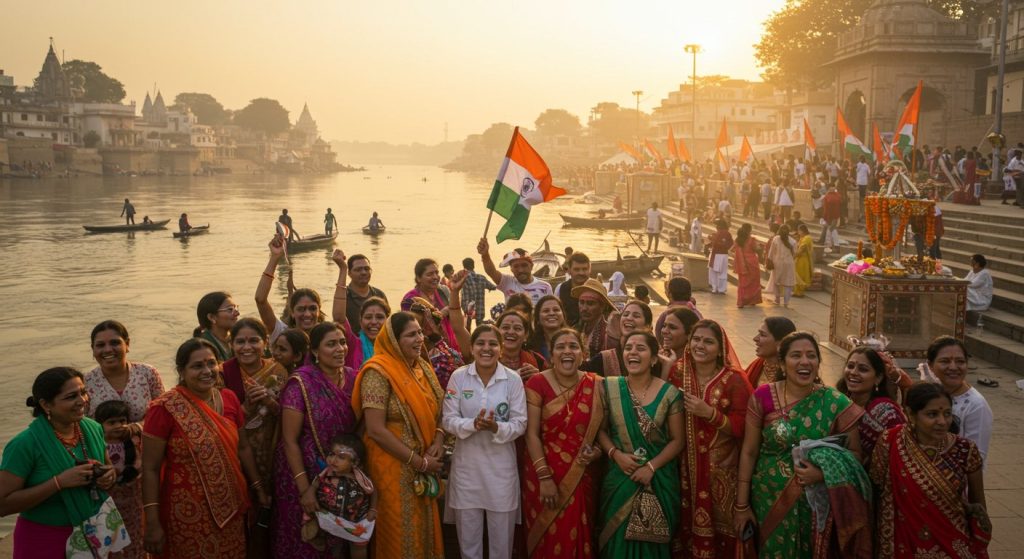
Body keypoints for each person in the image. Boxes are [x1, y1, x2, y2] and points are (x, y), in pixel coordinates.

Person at [734, 332, 869, 559]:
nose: (805, 362)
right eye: (796, 355)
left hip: (816, 506)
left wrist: (823, 473)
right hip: (767, 498)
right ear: (783, 364)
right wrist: (741, 505)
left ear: (818, 363)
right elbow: (749, 452)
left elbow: (855, 455)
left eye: (811, 356)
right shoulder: (763, 396)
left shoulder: (836, 403)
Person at [142, 339, 268, 558]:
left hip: (232, 506)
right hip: (186, 512)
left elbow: (243, 448)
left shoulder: (228, 398)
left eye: (211, 363)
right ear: (181, 371)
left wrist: (258, 487)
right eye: (197, 366)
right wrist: (152, 523)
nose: (207, 371)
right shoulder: (164, 408)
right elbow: (150, 468)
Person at [0, 367, 124, 559]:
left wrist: (108, 476)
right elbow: (3, 504)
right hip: (44, 540)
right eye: (71, 396)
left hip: (95, 530)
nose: (82, 400)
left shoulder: (92, 428)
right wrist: (59, 482)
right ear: (46, 404)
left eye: (83, 392)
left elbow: (108, 469)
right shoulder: (24, 445)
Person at [352, 312, 447, 559]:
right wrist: (419, 462)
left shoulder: (423, 367)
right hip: (391, 468)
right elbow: (375, 429)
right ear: (394, 340)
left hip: (424, 465)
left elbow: (439, 409)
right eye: (411, 334)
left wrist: (437, 439)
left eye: (420, 332)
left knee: (423, 529)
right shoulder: (377, 372)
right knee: (398, 533)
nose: (420, 338)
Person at [870, 382, 990, 558]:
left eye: (947, 414)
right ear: (911, 414)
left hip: (952, 542)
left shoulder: (965, 449)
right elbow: (876, 488)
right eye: (932, 414)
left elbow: (978, 504)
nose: (942, 422)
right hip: (902, 542)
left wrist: (979, 540)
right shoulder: (890, 440)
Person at [666, 320, 752, 558]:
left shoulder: (734, 379)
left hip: (721, 472)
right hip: (682, 469)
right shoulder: (678, 371)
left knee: (723, 533)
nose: (700, 345)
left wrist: (710, 414)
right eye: (696, 339)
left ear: (720, 348)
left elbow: (745, 427)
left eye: (708, 341)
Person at [273, 322, 359, 558]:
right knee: (304, 541)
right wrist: (305, 490)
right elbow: (289, 440)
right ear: (314, 351)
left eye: (342, 342)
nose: (340, 348)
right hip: (302, 473)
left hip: (340, 474)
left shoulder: (354, 378)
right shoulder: (300, 383)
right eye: (331, 344)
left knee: (336, 541)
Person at [443, 324, 528, 559]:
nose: (486, 348)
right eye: (480, 343)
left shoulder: (512, 380)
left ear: (501, 349)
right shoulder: (459, 377)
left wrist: (495, 427)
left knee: (501, 548)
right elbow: (448, 420)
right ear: (471, 348)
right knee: (469, 548)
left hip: (501, 473)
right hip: (466, 473)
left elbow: (520, 424)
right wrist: (472, 424)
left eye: (493, 344)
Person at [597, 330, 685, 558]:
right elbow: (601, 430)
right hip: (619, 476)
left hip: (658, 480)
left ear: (654, 358)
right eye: (628, 348)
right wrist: (616, 454)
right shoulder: (610, 386)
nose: (632, 353)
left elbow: (678, 440)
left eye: (640, 348)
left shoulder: (669, 393)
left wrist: (651, 468)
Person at [523, 328, 605, 557]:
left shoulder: (597, 384)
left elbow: (603, 434)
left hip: (581, 474)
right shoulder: (537, 383)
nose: (567, 351)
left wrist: (597, 452)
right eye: (560, 347)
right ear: (551, 353)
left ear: (583, 353)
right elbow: (531, 434)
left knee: (577, 535)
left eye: (573, 346)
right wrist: (544, 477)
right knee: (546, 539)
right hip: (542, 475)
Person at [919, 336, 993, 464]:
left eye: (960, 361)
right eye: (945, 361)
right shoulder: (929, 394)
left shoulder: (976, 405)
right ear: (930, 365)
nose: (953, 367)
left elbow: (976, 458)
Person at [256, 235, 344, 341]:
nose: (307, 314)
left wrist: (343, 269)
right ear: (292, 313)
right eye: (301, 309)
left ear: (319, 311)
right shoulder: (282, 334)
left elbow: (339, 318)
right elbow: (260, 300)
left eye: (312, 308)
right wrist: (274, 257)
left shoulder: (327, 337)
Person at [303, 434, 377, 558]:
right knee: (335, 547)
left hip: (356, 522)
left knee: (358, 548)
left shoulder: (360, 478)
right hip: (333, 519)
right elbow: (315, 484)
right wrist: (310, 491)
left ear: (355, 462)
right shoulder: (326, 473)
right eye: (331, 454)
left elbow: (373, 491)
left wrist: (373, 509)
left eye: (341, 457)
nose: (333, 460)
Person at [84, 320, 165, 426]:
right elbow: (81, 422)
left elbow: (163, 412)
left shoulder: (147, 373)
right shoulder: (86, 382)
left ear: (127, 344)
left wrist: (137, 428)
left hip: (146, 440)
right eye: (100, 345)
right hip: (101, 442)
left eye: (115, 343)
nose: (107, 349)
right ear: (93, 349)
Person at [835, 346, 907, 463]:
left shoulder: (886, 412)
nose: (853, 372)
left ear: (878, 378)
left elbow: (900, 454)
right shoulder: (839, 403)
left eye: (863, 369)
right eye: (850, 366)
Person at [94, 399, 145, 559]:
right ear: (100, 425)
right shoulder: (98, 444)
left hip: (132, 498)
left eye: (122, 421)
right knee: (109, 533)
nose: (118, 426)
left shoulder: (135, 441)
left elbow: (140, 465)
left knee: (134, 532)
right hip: (109, 499)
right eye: (111, 422)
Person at [401, 258, 461, 352]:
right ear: (418, 278)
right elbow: (410, 327)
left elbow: (456, 317)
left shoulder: (443, 291)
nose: (435, 277)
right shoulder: (410, 300)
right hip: (424, 350)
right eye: (430, 274)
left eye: (437, 273)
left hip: (450, 347)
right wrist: (441, 313)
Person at [478, 239, 553, 305]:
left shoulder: (545, 287)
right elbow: (491, 272)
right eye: (516, 266)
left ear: (531, 266)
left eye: (524, 265)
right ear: (511, 269)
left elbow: (550, 308)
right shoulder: (507, 282)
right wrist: (485, 255)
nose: (520, 270)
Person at [495, 310, 547, 382]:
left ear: (526, 335)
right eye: (505, 327)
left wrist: (539, 378)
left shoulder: (538, 361)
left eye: (517, 328)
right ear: (496, 333)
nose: (511, 332)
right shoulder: (486, 359)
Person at [743, 317, 796, 388]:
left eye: (762, 335)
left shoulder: (793, 374)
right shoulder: (757, 365)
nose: (755, 339)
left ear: (781, 342)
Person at [344, 253, 389, 337]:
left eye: (367, 269)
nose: (363, 272)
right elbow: (338, 319)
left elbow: (388, 323)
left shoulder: (379, 294)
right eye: (358, 270)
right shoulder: (344, 296)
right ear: (349, 273)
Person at [572, 278, 615, 358]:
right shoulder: (574, 329)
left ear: (602, 307)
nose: (584, 308)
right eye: (581, 302)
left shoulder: (609, 335)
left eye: (590, 303)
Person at [193, 291, 240, 362]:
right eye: (230, 309)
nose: (237, 313)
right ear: (212, 317)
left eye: (236, 308)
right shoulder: (203, 347)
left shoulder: (237, 338)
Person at [554, 251, 591, 325]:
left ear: (590, 270)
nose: (581, 273)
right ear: (569, 270)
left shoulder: (596, 289)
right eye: (576, 269)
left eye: (584, 269)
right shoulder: (561, 288)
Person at [526, 295, 567, 363]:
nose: (551, 313)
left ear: (563, 315)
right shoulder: (530, 346)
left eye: (556, 310)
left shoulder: (574, 341)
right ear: (538, 318)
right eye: (546, 311)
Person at [766, 224, 797, 307]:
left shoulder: (776, 239)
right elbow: (795, 254)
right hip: (789, 263)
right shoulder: (793, 241)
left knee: (776, 282)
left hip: (777, 263)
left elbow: (771, 252)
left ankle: (777, 299)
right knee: (788, 283)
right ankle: (786, 303)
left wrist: (769, 260)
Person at [731, 223, 761, 308]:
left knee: (742, 283)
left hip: (742, 264)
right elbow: (756, 249)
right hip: (752, 263)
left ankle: (741, 302)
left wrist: (738, 257)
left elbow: (731, 250)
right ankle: (753, 300)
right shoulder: (752, 240)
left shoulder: (738, 240)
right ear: (749, 230)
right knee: (754, 283)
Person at [461, 257, 496, 329]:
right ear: (473, 266)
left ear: (464, 267)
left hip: (467, 307)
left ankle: (468, 339)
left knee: (467, 328)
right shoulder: (481, 278)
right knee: (479, 328)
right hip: (480, 307)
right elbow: (493, 287)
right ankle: (489, 323)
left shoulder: (463, 278)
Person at [707, 219, 733, 295]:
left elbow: (715, 243)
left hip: (717, 255)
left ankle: (715, 288)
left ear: (719, 226)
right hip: (724, 255)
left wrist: (712, 238)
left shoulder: (718, 233)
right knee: (723, 272)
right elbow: (731, 243)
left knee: (714, 272)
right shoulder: (728, 233)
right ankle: (722, 289)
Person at [793, 224, 814, 297]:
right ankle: (796, 292)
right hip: (799, 259)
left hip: (803, 260)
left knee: (800, 275)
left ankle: (800, 293)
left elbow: (802, 249)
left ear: (802, 230)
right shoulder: (803, 238)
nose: (798, 233)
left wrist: (793, 257)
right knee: (797, 274)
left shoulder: (807, 238)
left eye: (799, 231)